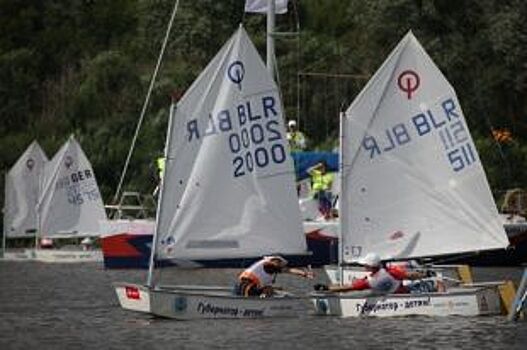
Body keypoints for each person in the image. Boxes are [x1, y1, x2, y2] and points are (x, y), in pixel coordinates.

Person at [314, 252, 443, 294]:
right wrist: (426, 274)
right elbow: (411, 275)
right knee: (438, 283)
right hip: (407, 293)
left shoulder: (368, 281)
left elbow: (347, 288)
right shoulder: (391, 271)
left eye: (365, 264)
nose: (363, 266)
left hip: (401, 294)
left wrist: (327, 288)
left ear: (370, 266)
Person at [234, 255, 314, 297]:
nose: (280, 266)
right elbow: (289, 270)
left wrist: (277, 288)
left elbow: (263, 286)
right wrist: (305, 274)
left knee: (271, 289)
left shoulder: (268, 272)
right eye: (279, 263)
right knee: (269, 290)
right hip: (247, 288)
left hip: (239, 287)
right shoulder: (268, 264)